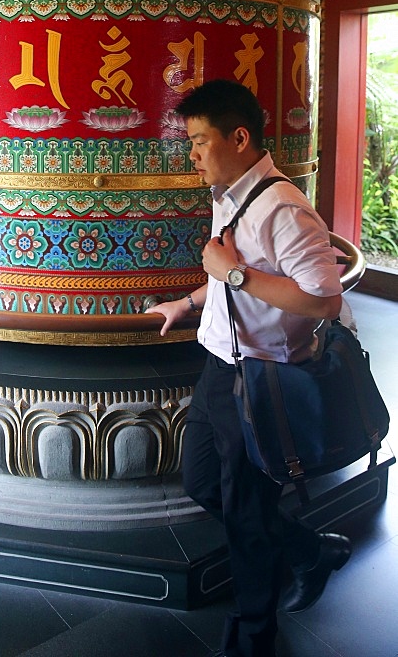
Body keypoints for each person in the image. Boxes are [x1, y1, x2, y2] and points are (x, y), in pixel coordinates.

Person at [158, 79, 351, 657]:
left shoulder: (283, 206)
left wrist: (233, 274)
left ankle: (252, 640)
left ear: (239, 138)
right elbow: (231, 270)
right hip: (221, 364)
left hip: (262, 376)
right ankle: (309, 552)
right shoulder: (231, 191)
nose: (191, 153)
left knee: (243, 513)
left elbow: (323, 298)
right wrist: (190, 301)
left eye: (199, 141)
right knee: (201, 483)